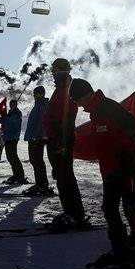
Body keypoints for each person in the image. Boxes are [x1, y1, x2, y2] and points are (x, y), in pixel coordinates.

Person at [68, 78, 135, 269]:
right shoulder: (97, 111)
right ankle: (127, 248)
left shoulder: (108, 108)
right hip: (112, 167)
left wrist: (126, 156)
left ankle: (132, 249)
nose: (79, 105)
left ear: (86, 94)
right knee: (114, 206)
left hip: (124, 166)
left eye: (78, 100)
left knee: (121, 205)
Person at [45, 58, 87, 229]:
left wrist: (61, 142)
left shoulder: (67, 88)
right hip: (56, 138)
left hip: (61, 139)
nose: (52, 72)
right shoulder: (61, 88)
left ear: (61, 70)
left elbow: (68, 117)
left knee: (65, 177)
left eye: (54, 69)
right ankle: (71, 212)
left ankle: (75, 214)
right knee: (62, 177)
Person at [22, 85, 53, 196]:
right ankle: (41, 183)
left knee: (37, 160)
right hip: (34, 137)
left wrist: (41, 136)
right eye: (34, 94)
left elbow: (43, 123)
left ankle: (42, 184)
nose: (34, 96)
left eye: (36, 94)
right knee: (35, 160)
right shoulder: (39, 105)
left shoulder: (42, 106)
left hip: (36, 138)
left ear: (41, 94)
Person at [0, 99, 26, 185]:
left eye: (13, 104)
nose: (11, 106)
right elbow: (4, 121)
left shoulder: (18, 113)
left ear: (16, 105)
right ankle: (16, 174)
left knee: (13, 157)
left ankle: (20, 175)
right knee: (10, 157)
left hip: (13, 138)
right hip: (8, 137)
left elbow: (13, 121)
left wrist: (10, 115)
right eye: (10, 104)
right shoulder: (10, 113)